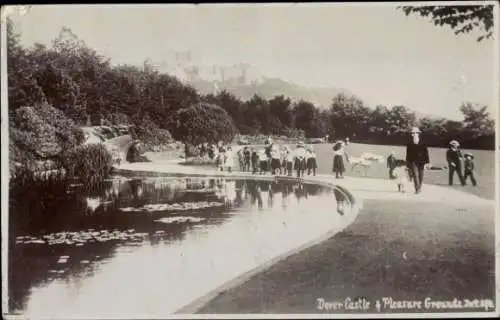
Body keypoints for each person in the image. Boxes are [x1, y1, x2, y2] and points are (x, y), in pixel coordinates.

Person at [405, 127, 430, 194]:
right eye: (413, 133)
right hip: (413, 162)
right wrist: (407, 163)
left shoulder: (423, 142)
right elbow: (407, 154)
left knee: (421, 175)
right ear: (412, 134)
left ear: (418, 134)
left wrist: (427, 162)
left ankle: (419, 187)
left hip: (421, 162)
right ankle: (417, 190)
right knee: (415, 175)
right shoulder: (409, 143)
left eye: (416, 133)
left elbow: (426, 153)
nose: (414, 134)